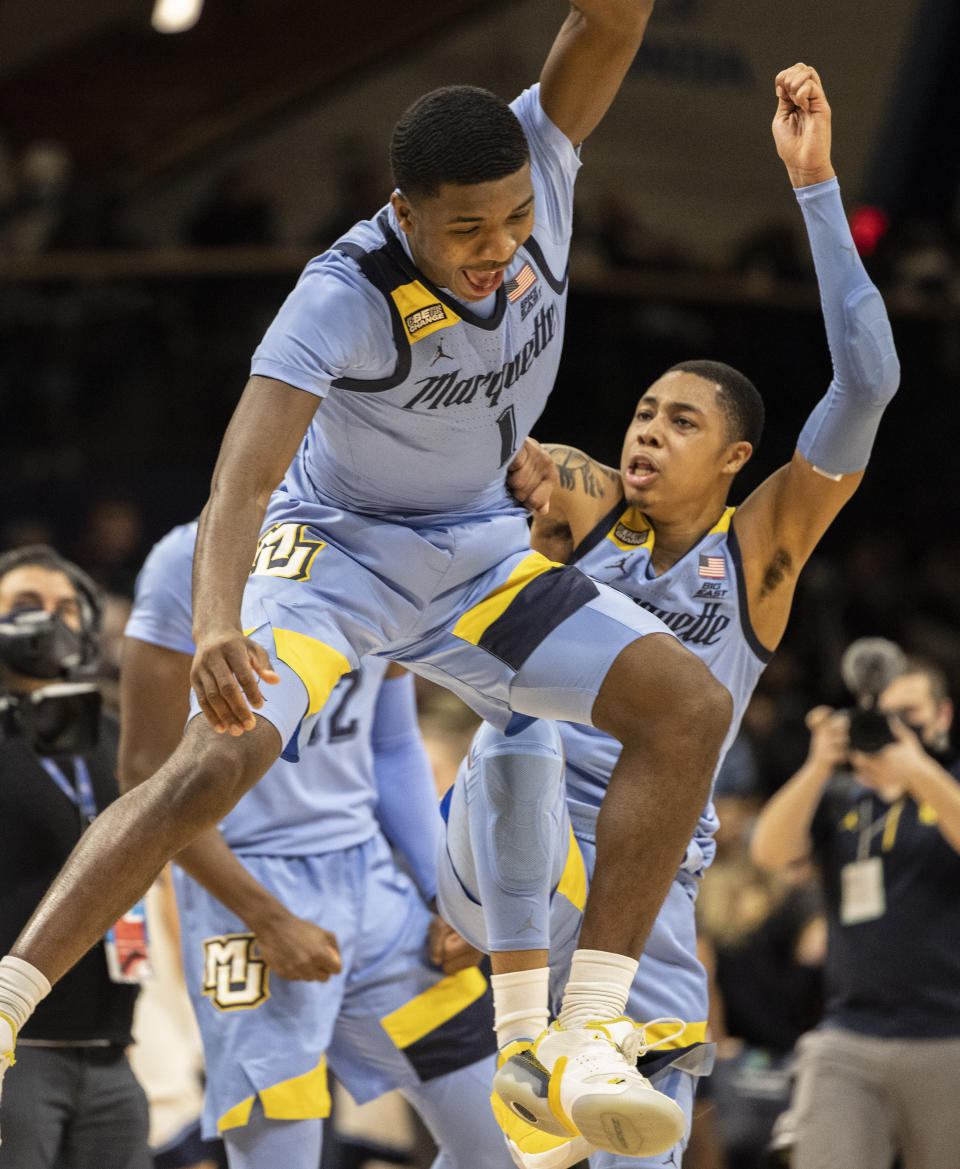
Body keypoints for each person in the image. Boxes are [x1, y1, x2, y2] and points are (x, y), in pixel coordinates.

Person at [0, 3, 737, 1160]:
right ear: (403, 215)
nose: (496, 248)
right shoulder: (340, 291)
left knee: (687, 704)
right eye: (464, 230)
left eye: (509, 222)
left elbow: (605, 23)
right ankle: (7, 996)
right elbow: (241, 481)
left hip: (478, 549)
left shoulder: (538, 162)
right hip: (336, 551)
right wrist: (210, 622)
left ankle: (583, 1030)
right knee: (219, 757)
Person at [435, 62, 900, 1168]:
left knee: (635, 1145)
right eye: (643, 408)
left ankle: (549, 1067)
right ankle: (520, 1028)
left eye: (680, 420)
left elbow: (870, 381)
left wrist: (818, 188)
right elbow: (523, 469)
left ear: (735, 457)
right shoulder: (593, 504)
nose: (647, 429)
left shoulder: (760, 555)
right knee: (525, 708)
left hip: (647, 890)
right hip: (520, 861)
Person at [119, 519, 513, 1169]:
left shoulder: (385, 545)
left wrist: (451, 891)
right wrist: (264, 913)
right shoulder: (183, 560)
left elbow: (390, 745)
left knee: (502, 1141)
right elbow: (143, 775)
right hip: (243, 893)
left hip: (371, 882)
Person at [750, 648, 960, 1169]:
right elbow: (769, 852)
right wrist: (817, 764)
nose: (893, 731)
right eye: (881, 717)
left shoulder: (950, 784)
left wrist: (915, 768)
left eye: (908, 716)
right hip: (848, 1034)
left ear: (942, 715)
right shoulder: (841, 798)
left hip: (949, 1035)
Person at [0, 545, 151, 1169]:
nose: (51, 621)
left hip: (112, 1050)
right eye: (27, 606)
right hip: (16, 1053)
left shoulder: (111, 734)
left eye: (67, 607)